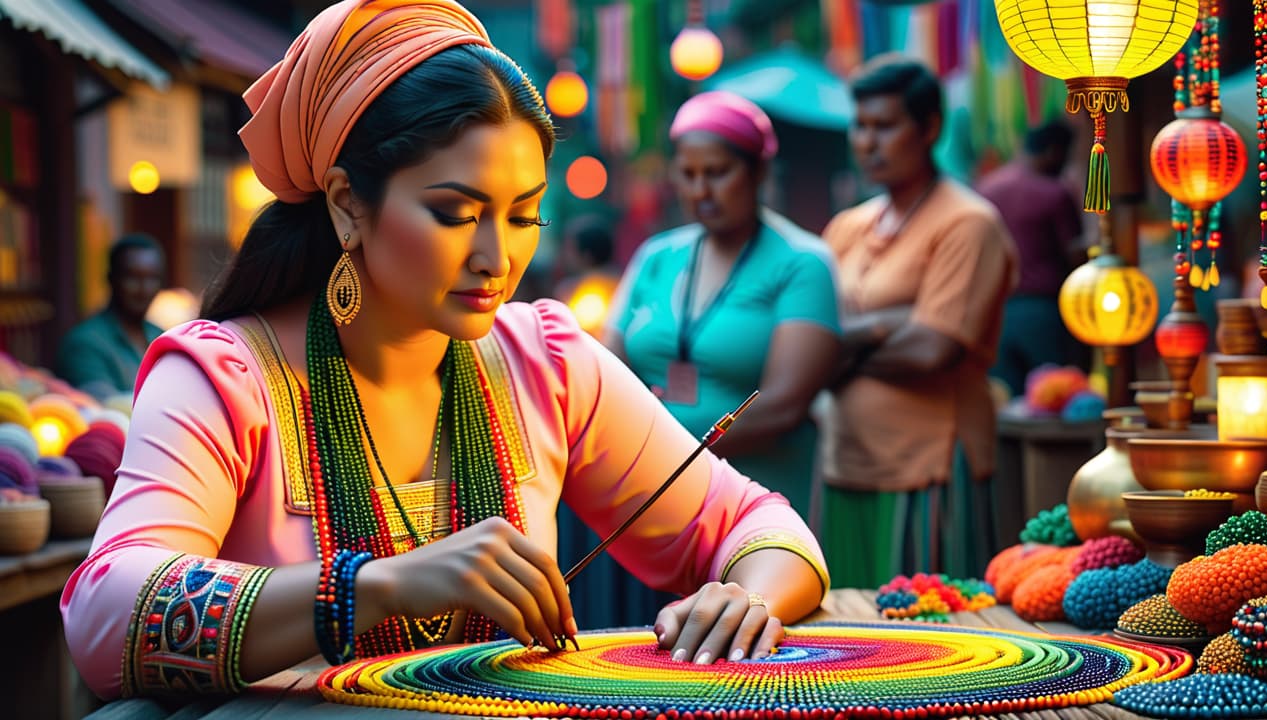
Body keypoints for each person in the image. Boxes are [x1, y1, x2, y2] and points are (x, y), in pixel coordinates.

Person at [59, 0, 827, 702]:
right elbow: (105, 613)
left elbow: (760, 523)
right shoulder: (226, 378)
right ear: (347, 202)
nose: (497, 256)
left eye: (524, 215)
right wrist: (374, 589)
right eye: (455, 212)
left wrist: (749, 593)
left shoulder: (548, 365)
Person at [819, 55, 1017, 589]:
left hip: (928, 465)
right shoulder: (847, 227)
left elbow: (933, 350)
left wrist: (844, 344)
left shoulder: (967, 222)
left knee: (929, 634)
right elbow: (812, 345)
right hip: (845, 462)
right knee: (841, 631)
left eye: (885, 126)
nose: (867, 142)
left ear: (929, 127)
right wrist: (887, 325)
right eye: (860, 126)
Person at [604, 91, 841, 518]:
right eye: (688, 174)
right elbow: (608, 372)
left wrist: (655, 452)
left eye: (717, 173)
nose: (700, 190)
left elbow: (783, 406)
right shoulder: (657, 257)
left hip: (753, 501)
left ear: (759, 172)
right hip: (649, 498)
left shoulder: (802, 263)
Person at [976, 118, 1086, 396]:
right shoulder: (1054, 193)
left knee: (1007, 402)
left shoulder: (986, 188)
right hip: (1044, 313)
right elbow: (1075, 258)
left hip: (996, 311)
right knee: (1054, 399)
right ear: (1054, 151)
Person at [55, 233, 165, 398]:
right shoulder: (85, 343)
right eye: (133, 278)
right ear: (111, 279)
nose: (144, 289)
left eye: (152, 278)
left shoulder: (161, 337)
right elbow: (107, 406)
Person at [552, 214, 621, 339]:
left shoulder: (590, 291)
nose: (564, 255)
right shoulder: (623, 281)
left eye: (569, 249)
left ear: (587, 255)